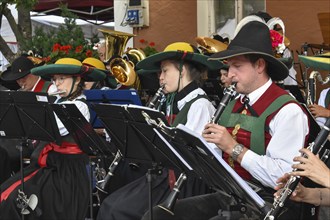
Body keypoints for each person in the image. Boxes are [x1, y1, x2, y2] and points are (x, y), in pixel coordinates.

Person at [142, 18, 313, 220]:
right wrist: (197, 150)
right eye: (229, 66)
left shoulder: (288, 110)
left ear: (259, 65)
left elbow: (281, 178)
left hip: (269, 203)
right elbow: (214, 159)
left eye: (237, 66)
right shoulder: (234, 101)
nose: (229, 74)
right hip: (232, 195)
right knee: (156, 216)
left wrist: (233, 148)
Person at [96, 42, 223, 220]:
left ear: (182, 70)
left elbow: (191, 156)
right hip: (167, 175)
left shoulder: (200, 105)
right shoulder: (176, 101)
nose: (160, 78)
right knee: (110, 204)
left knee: (116, 209)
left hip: (184, 182)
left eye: (165, 71)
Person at [0, 57, 106, 220]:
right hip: (51, 163)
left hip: (67, 172)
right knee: (8, 192)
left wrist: (40, 105)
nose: (57, 84)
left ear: (77, 80)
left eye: (62, 79)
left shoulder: (80, 106)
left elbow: (50, 128)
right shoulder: (58, 100)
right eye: (55, 79)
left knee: (20, 201)